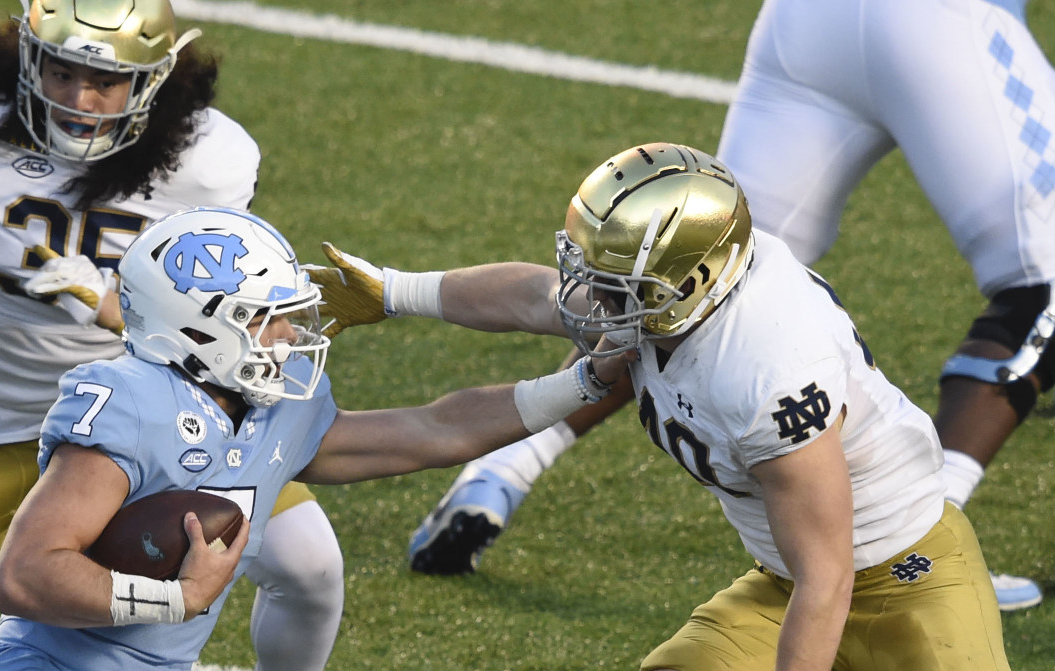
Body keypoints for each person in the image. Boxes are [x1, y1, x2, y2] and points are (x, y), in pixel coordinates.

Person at [309, 142, 1055, 671]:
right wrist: (395, 290)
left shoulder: (765, 362)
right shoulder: (685, 296)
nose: (591, 305)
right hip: (789, 579)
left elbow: (829, 576)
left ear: (694, 281)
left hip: (906, 582)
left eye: (615, 287)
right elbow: (536, 297)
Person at [0, 203, 625, 671]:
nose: (288, 334)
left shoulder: (276, 408)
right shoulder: (128, 399)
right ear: (198, 327)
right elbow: (26, 576)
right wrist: (177, 598)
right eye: (265, 316)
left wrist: (579, 385)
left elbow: (433, 431)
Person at [407, 0, 1051, 612]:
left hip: (802, 28)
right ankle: (926, 538)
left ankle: (503, 467)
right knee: (1042, 286)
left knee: (682, 289)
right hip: (941, 26)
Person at [0, 0, 343, 671]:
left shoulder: (208, 159)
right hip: (8, 408)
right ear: (27, 58)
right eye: (64, 70)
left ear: (153, 79)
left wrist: (110, 304)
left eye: (106, 81)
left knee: (310, 563)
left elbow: (222, 312)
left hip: (162, 414)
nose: (81, 99)